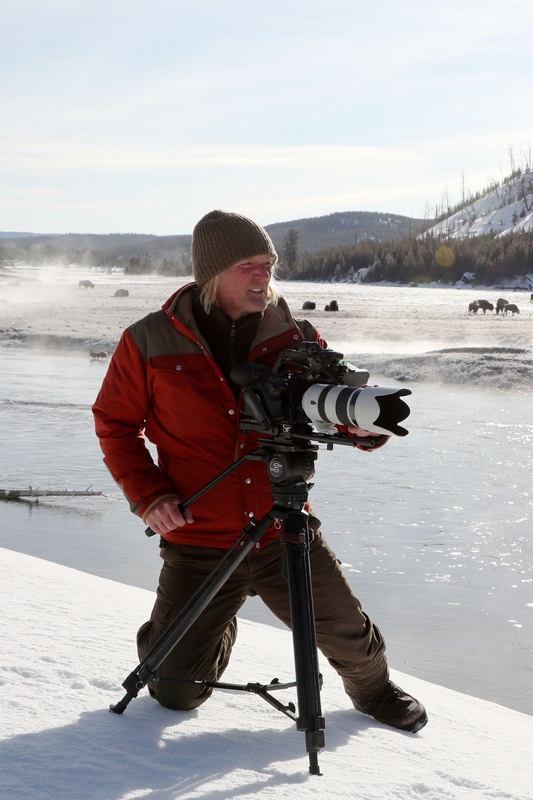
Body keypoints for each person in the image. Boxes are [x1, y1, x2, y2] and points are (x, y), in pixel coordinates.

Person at [92, 209, 427, 732]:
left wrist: (365, 429)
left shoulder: (295, 334)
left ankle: (375, 691)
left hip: (282, 528)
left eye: (268, 264)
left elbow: (330, 408)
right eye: (249, 264)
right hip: (198, 536)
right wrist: (149, 495)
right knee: (176, 692)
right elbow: (114, 423)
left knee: (346, 634)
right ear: (213, 272)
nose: (263, 275)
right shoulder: (150, 340)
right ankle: (186, 634)